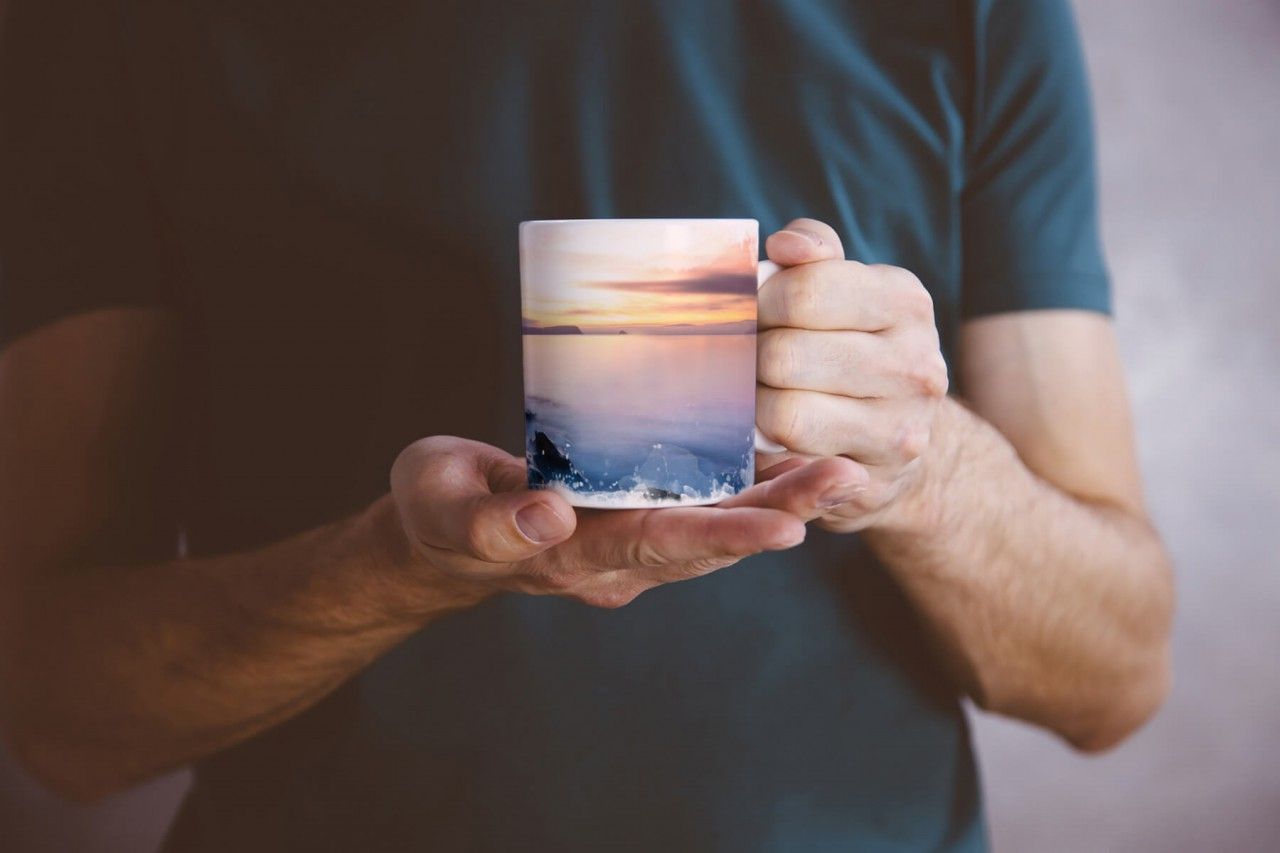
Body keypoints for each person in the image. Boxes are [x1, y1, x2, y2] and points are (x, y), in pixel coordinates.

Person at [0, 1, 1173, 850]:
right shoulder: (121, 26)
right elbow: (56, 722)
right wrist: (391, 571)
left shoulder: (976, 14)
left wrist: (926, 472)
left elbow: (1111, 680)